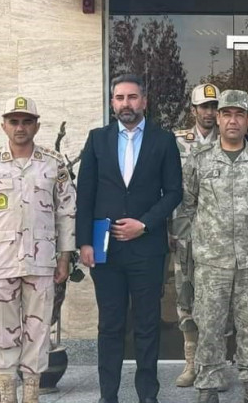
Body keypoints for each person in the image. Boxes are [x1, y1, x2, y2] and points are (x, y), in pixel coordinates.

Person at [76, 74, 183, 403]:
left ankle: (147, 395)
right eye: (120, 98)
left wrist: (145, 224)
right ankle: (108, 395)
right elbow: (86, 194)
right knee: (110, 325)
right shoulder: (97, 140)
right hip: (105, 250)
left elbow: (174, 192)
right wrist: (84, 242)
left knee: (147, 325)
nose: (126, 103)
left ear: (145, 101)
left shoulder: (163, 141)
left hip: (146, 250)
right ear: (112, 103)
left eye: (133, 97)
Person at [0, 97, 76, 403]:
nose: (20, 127)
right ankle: (6, 396)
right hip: (1, 264)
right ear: (4, 125)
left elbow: (66, 213)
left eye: (27, 121)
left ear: (37, 125)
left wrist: (64, 258)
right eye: (14, 121)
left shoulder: (53, 163)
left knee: (38, 333)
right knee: (3, 332)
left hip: (42, 264)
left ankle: (31, 395)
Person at [174, 90, 248, 403]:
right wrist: (196, 244)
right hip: (211, 262)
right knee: (209, 326)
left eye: (239, 115)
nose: (232, 120)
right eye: (226, 114)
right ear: (218, 119)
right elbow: (187, 206)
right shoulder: (198, 160)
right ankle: (208, 386)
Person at [171, 83, 220, 388]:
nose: (209, 113)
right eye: (204, 107)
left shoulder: (229, 140)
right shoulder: (175, 142)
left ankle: (214, 365)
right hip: (184, 235)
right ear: (193, 110)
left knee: (217, 301)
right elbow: (165, 189)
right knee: (185, 297)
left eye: (214, 107)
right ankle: (191, 364)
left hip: (217, 237)